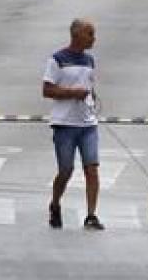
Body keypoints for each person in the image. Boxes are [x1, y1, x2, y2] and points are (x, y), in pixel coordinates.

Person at [43, 18, 102, 230]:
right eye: (90, 34)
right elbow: (47, 90)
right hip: (64, 124)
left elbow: (89, 86)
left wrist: (91, 99)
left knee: (92, 169)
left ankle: (91, 215)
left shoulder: (89, 61)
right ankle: (55, 203)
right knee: (66, 170)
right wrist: (72, 93)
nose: (94, 38)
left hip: (87, 124)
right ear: (76, 35)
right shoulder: (57, 59)